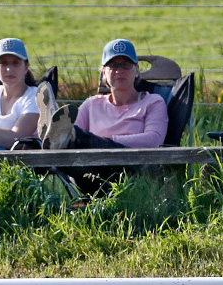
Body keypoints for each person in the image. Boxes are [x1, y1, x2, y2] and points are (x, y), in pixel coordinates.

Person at [40, 38, 169, 194]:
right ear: (104, 72)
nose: (119, 70)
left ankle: (55, 126)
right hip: (91, 174)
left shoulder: (153, 102)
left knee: (75, 136)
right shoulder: (91, 105)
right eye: (113, 65)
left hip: (131, 172)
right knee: (66, 149)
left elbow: (153, 140)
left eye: (126, 65)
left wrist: (107, 141)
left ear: (136, 70)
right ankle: (50, 128)